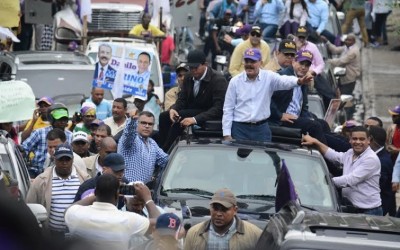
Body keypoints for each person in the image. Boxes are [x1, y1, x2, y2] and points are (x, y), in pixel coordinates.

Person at [222, 48, 313, 142]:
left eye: (253, 61)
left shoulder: (268, 77)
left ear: (260, 63)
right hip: (240, 129)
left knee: (263, 157)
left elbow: (284, 81)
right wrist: (226, 134)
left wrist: (298, 81)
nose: (249, 64)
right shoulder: (235, 81)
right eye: (247, 61)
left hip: (261, 129)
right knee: (240, 157)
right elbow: (228, 109)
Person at [65, 174, 160, 250]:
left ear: (95, 192)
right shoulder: (127, 219)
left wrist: (100, 192)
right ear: (117, 195)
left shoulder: (76, 214)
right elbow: (160, 224)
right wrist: (147, 198)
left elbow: (69, 209)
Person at [302, 126, 383, 215]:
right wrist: (316, 142)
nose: (358, 142)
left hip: (369, 211)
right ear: (350, 140)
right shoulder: (350, 153)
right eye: (355, 139)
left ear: (369, 140)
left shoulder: (371, 159)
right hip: (352, 209)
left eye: (362, 139)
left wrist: (324, 182)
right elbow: (334, 156)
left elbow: (350, 180)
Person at [158, 50, 229, 151]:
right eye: (191, 68)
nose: (193, 70)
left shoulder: (218, 80)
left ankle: (166, 151)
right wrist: (174, 109)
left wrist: (194, 119)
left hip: (210, 112)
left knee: (180, 118)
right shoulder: (188, 76)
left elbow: (218, 108)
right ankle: (160, 150)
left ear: (205, 64)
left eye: (196, 67)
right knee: (164, 116)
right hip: (192, 109)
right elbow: (182, 99)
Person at [26, 144, 90, 236]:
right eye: (61, 159)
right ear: (55, 160)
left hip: (77, 236)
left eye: (67, 159)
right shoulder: (41, 181)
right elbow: (31, 208)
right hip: (52, 236)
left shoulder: (84, 180)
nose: (64, 163)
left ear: (72, 160)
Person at [269, 49, 327, 144]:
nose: (303, 67)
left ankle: (331, 153)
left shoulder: (303, 79)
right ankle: (324, 153)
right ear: (294, 62)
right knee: (315, 126)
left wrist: (309, 118)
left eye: (307, 65)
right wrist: (279, 115)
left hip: (296, 118)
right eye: (301, 63)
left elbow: (303, 107)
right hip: (282, 121)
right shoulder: (282, 76)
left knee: (322, 124)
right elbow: (266, 98)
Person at [184, 188, 262, 250]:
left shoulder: (255, 235)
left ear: (235, 210)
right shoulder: (194, 234)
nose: (218, 214)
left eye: (224, 209)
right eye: (215, 208)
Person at [118, 111, 169, 183]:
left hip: (144, 191)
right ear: (137, 123)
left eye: (150, 124)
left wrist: (180, 159)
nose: (147, 126)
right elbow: (129, 134)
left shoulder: (152, 143)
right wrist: (132, 121)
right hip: (128, 189)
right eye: (143, 123)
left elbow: (164, 160)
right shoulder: (132, 139)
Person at [22, 103, 73, 173]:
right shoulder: (39, 133)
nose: (62, 122)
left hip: (61, 173)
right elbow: (24, 148)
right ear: (51, 119)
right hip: (37, 173)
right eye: (59, 119)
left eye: (64, 119)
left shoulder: (70, 136)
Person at [293, 26, 335, 109]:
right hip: (294, 72)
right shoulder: (291, 45)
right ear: (295, 35)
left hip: (310, 73)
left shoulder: (312, 47)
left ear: (307, 37)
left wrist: (313, 72)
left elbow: (321, 64)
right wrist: (297, 48)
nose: (301, 39)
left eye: (303, 37)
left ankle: (331, 102)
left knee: (323, 86)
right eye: (299, 37)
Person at [368, 126, 396, 216]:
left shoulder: (382, 161)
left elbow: (377, 186)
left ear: (370, 139)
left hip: (375, 209)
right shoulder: (377, 156)